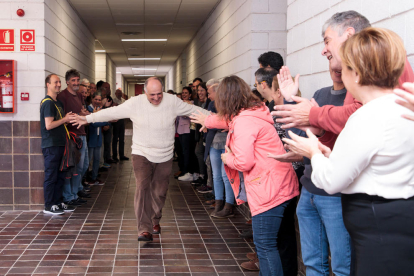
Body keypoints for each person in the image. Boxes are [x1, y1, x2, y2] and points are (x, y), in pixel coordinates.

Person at [284, 27, 414, 276]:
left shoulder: (366, 115)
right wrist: (330, 155)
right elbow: (381, 161)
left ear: (355, 73)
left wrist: (314, 153)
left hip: (377, 225)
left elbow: (331, 181)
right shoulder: (402, 109)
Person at [70, 77, 211, 242]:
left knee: (159, 192)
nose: (157, 98)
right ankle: (144, 229)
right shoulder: (135, 103)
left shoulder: (172, 101)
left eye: (159, 94)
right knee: (142, 188)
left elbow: (193, 110)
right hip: (141, 152)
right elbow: (112, 112)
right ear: (145, 92)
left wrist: (216, 118)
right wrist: (87, 119)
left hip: (164, 155)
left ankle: (155, 220)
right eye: (152, 95)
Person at [192, 76, 299, 276]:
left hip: (269, 190)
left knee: (265, 246)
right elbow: (228, 120)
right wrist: (207, 120)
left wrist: (227, 158)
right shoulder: (253, 112)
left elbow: (243, 162)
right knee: (274, 243)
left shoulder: (244, 122)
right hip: (281, 185)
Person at [273, 10, 414, 133]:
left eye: (327, 41)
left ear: (349, 35)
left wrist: (314, 114)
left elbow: (359, 115)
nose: (323, 51)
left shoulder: (378, 54)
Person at [40, 74, 76, 215]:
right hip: (51, 145)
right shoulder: (48, 103)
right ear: (48, 85)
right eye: (55, 82)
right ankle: (49, 205)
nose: (58, 85)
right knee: (51, 175)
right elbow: (49, 125)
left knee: (61, 175)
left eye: (59, 82)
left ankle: (58, 202)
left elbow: (59, 122)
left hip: (61, 144)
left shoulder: (58, 103)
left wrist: (67, 119)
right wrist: (65, 119)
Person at [57, 69, 90, 207]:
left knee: (83, 166)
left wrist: (83, 114)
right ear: (67, 82)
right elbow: (62, 118)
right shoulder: (62, 97)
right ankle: (69, 196)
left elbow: (82, 112)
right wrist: (76, 116)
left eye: (77, 80)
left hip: (82, 135)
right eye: (73, 81)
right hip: (71, 137)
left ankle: (75, 192)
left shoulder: (79, 96)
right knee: (71, 168)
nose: (76, 83)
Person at [203, 82, 235, 218]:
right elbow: (211, 123)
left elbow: (214, 123)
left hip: (227, 144)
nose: (209, 95)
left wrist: (218, 124)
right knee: (217, 175)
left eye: (210, 92)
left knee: (226, 175)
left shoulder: (231, 104)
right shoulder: (212, 104)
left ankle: (228, 205)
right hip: (214, 142)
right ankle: (218, 202)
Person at [86, 90, 108, 186]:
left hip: (98, 138)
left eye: (99, 100)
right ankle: (86, 179)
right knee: (88, 160)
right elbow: (94, 124)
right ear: (92, 99)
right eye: (96, 99)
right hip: (91, 138)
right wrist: (108, 121)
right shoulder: (88, 109)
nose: (98, 101)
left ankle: (94, 178)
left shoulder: (100, 110)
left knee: (97, 159)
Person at [112, 89, 129, 162]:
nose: (119, 94)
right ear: (115, 93)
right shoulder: (113, 100)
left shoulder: (124, 100)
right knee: (115, 139)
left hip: (122, 120)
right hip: (115, 121)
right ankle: (115, 156)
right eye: (118, 93)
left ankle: (121, 155)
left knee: (122, 139)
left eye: (120, 93)